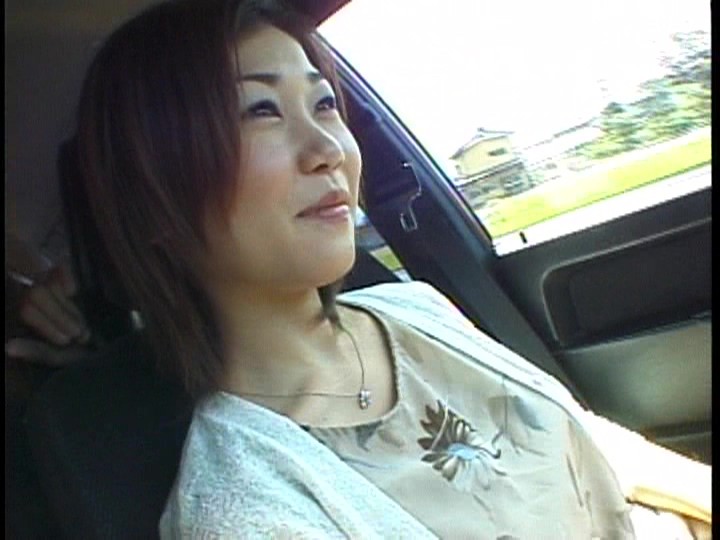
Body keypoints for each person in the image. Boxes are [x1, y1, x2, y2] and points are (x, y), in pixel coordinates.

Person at [12, 0, 711, 537]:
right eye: (261, 111)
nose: (328, 148)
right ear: (156, 198)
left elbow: (593, 445)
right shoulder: (245, 507)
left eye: (323, 103)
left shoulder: (414, 310)